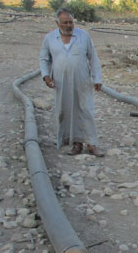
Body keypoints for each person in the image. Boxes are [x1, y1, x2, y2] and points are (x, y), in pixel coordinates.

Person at [39, 8, 104, 156]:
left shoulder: (83, 36)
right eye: (65, 23)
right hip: (61, 81)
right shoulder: (50, 38)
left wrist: (97, 78)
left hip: (82, 79)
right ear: (57, 23)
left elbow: (93, 57)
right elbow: (44, 59)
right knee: (67, 111)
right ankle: (76, 143)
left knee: (86, 109)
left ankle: (92, 143)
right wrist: (46, 76)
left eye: (71, 22)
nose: (69, 25)